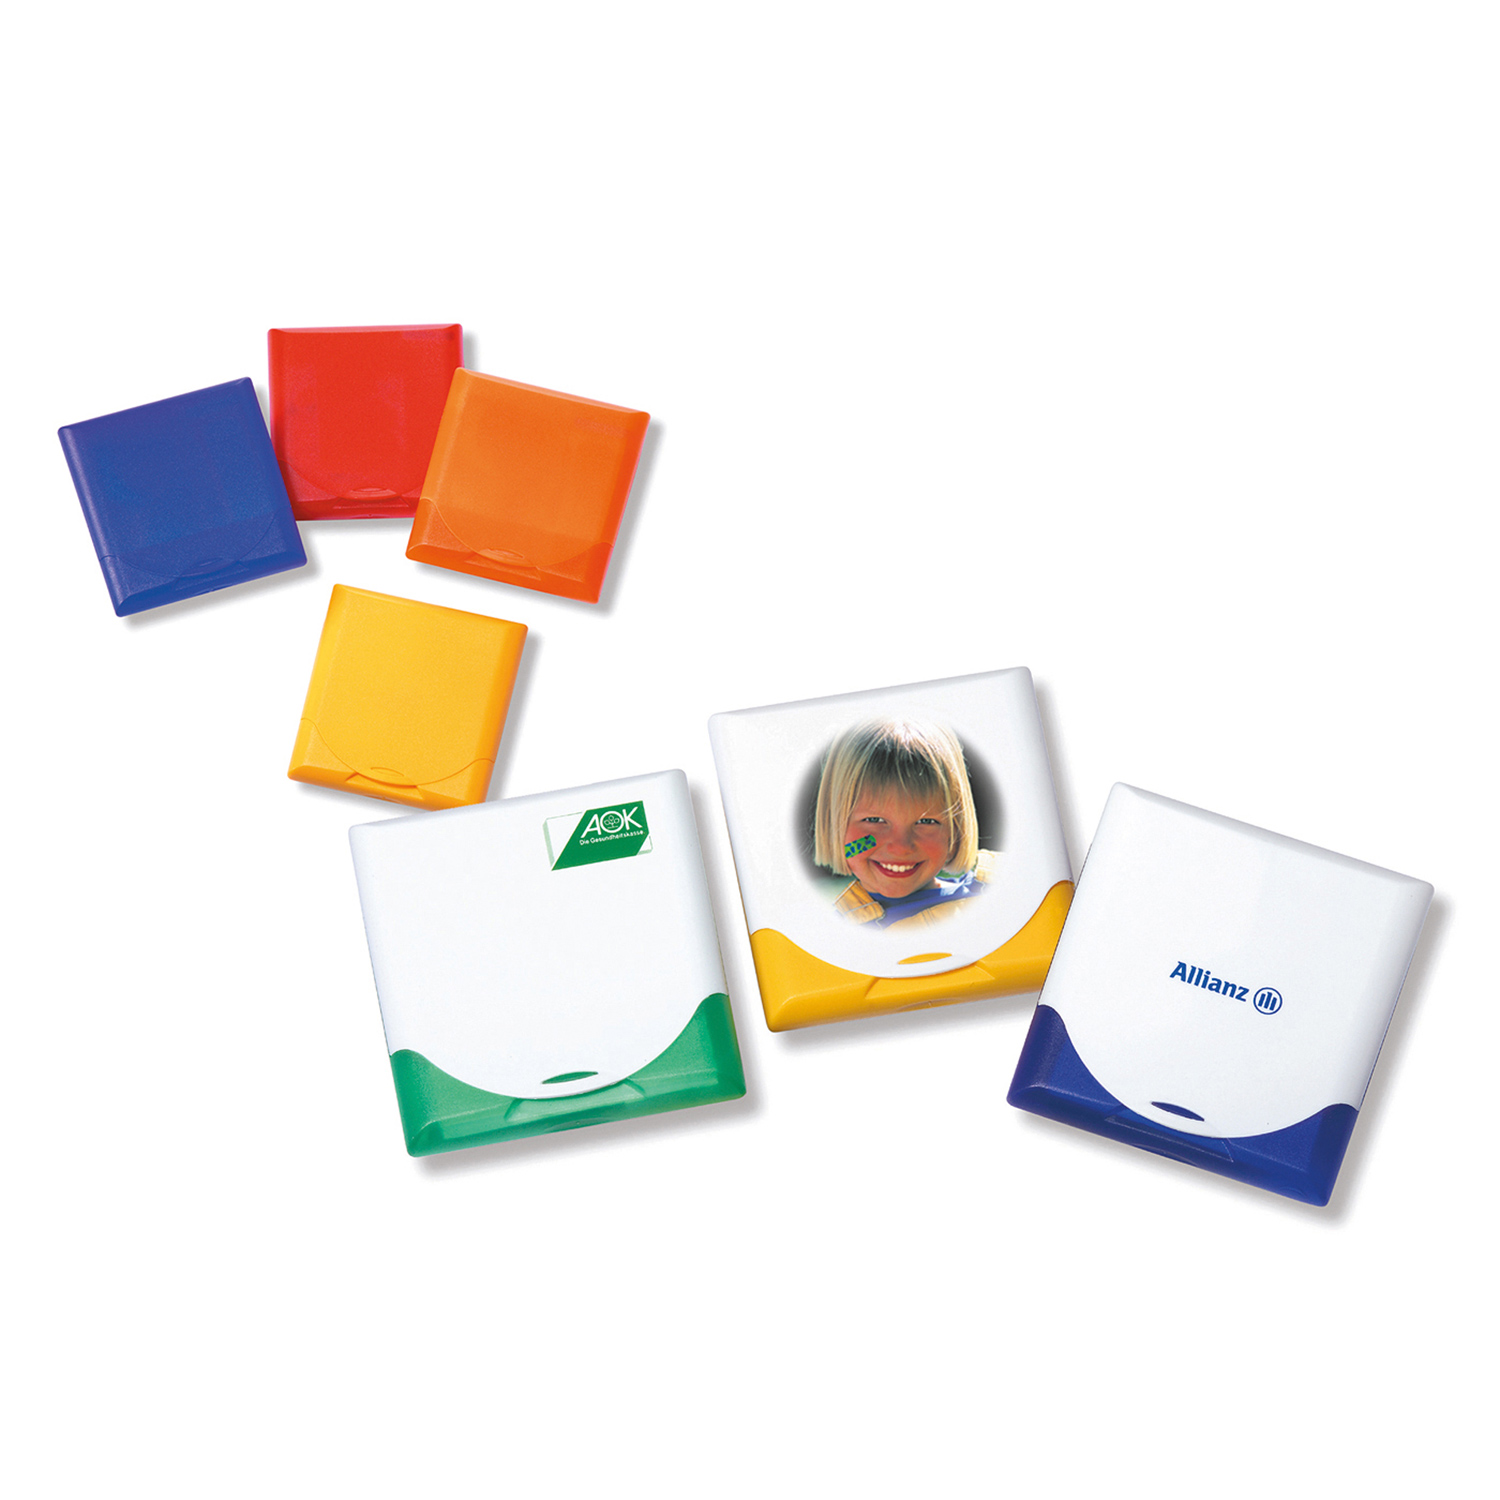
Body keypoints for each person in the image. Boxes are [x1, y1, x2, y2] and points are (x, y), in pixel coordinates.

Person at [812, 716, 996, 930]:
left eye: (925, 821)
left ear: (955, 828)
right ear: (834, 827)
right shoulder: (832, 934)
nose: (901, 847)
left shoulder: (999, 895)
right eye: (874, 820)